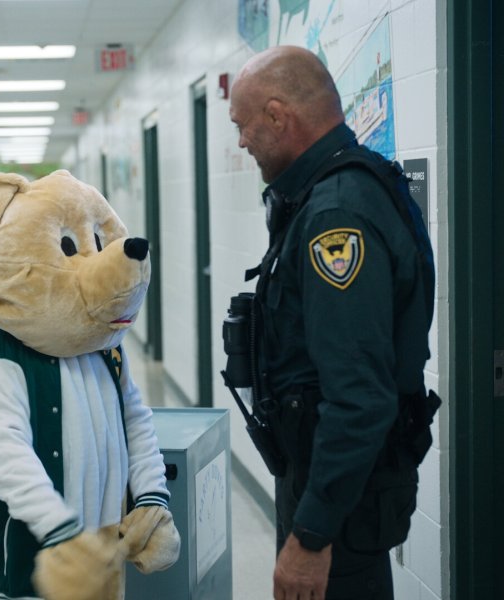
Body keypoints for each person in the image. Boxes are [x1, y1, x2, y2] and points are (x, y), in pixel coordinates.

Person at [228, 46, 436, 600]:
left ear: (278, 116)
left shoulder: (336, 215)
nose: (242, 141)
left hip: (340, 503)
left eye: (243, 125)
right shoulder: (329, 194)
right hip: (334, 482)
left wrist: (312, 535)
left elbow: (359, 396)